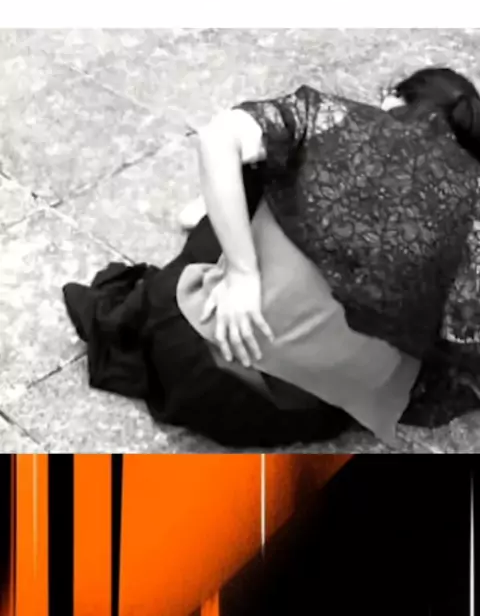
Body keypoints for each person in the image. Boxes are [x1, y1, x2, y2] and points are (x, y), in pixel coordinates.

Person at [63, 66, 480, 448]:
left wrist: (243, 273)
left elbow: (215, 137)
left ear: (394, 98)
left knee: (269, 159)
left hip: (188, 364)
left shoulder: (336, 119)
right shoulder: (471, 207)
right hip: (293, 418)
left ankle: (218, 210)